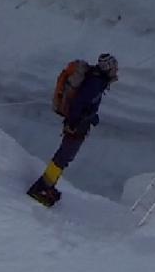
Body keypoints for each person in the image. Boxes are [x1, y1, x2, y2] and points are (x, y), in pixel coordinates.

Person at [28, 53, 119, 207]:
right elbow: (79, 102)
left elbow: (87, 104)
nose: (116, 70)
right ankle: (41, 188)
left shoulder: (97, 79)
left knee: (65, 157)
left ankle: (47, 186)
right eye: (114, 67)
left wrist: (92, 117)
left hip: (80, 122)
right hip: (77, 125)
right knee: (63, 157)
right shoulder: (95, 82)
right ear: (107, 68)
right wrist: (73, 123)